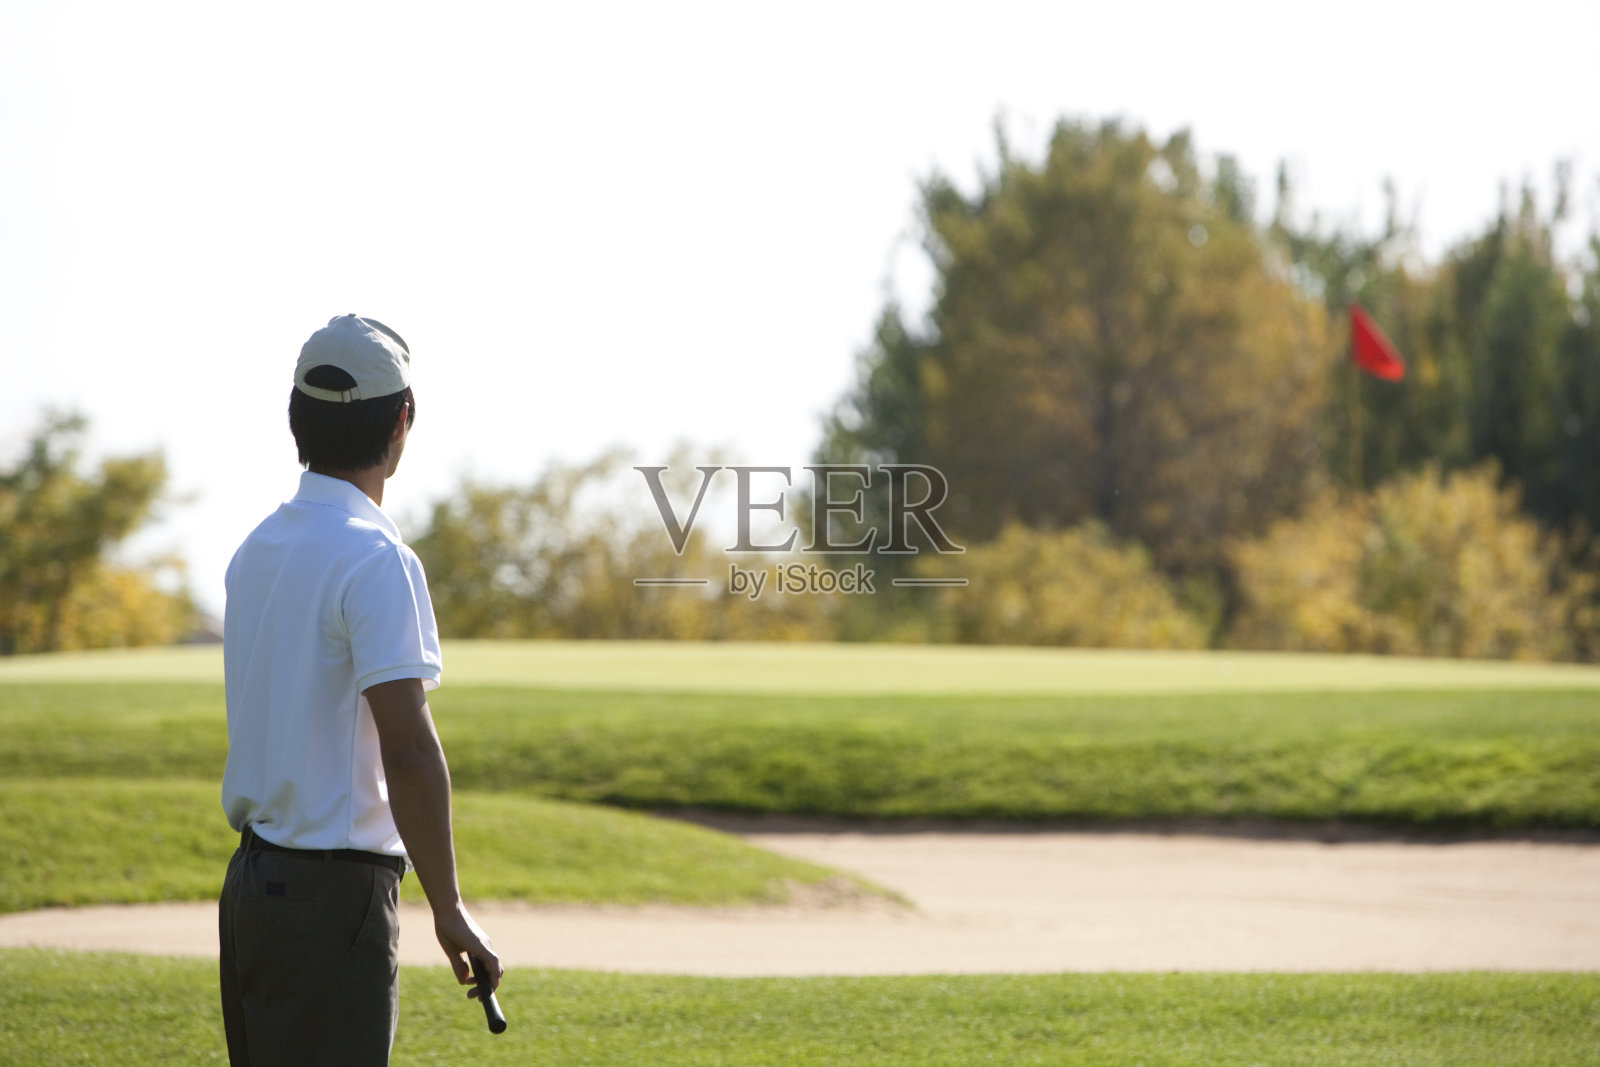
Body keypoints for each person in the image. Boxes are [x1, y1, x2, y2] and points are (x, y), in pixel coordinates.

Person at [218, 314, 501, 1065]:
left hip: (252, 884)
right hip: (330, 902)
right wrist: (449, 908)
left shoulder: (255, 549)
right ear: (402, 419)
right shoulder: (377, 558)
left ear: (295, 420)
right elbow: (408, 750)